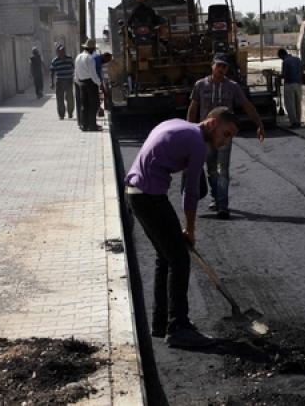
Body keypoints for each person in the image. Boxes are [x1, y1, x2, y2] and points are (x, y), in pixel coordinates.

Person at [125, 107, 238, 347]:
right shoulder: (197, 143)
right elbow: (190, 191)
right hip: (149, 195)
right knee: (179, 259)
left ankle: (161, 323)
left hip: (136, 192)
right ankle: (178, 327)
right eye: (226, 134)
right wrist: (190, 229)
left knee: (165, 257)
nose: (225, 142)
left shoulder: (179, 125)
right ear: (212, 123)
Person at [187, 54, 265, 219]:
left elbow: (247, 106)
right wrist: (189, 129)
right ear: (212, 65)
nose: (221, 69)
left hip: (225, 135)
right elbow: (193, 108)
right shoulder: (200, 85)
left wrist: (259, 124)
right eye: (219, 66)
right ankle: (216, 198)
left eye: (224, 67)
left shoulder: (233, 87)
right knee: (211, 169)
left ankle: (223, 205)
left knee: (223, 169)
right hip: (206, 135)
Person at [74, 39, 102, 132]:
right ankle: (92, 125)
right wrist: (99, 83)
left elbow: (76, 73)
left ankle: (84, 125)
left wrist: (79, 82)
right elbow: (93, 74)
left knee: (84, 105)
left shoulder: (78, 57)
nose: (94, 50)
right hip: (90, 84)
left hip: (81, 83)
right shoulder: (90, 59)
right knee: (94, 104)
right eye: (93, 48)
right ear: (91, 48)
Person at [277, 48, 303, 128]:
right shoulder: (298, 59)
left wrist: (278, 76)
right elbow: (301, 71)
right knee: (298, 103)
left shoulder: (285, 62)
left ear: (281, 55)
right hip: (298, 84)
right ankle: (298, 120)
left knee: (290, 104)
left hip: (289, 84)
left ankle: (294, 122)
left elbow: (284, 75)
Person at [50, 45, 75, 120]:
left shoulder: (70, 59)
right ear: (57, 52)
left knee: (70, 98)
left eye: (63, 51)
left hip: (69, 81)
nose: (62, 53)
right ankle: (61, 114)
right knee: (60, 99)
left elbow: (73, 68)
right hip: (59, 82)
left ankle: (70, 113)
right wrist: (52, 82)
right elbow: (52, 72)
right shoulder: (55, 61)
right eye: (60, 51)